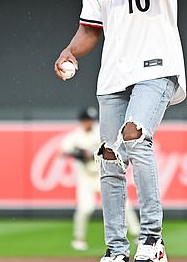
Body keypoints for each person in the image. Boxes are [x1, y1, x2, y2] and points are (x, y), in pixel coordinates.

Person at [54, 0, 187, 262]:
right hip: (114, 72)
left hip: (157, 65)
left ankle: (153, 238)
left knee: (134, 135)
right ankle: (115, 256)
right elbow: (91, 29)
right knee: (109, 159)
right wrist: (70, 53)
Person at [59, 106, 140, 252]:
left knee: (125, 205)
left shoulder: (100, 131)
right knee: (85, 208)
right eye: (85, 120)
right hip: (86, 177)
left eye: (90, 120)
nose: (88, 122)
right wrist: (78, 154)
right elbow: (62, 151)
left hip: (104, 173)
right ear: (82, 121)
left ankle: (136, 235)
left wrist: (92, 154)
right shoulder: (76, 135)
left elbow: (113, 147)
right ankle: (79, 239)